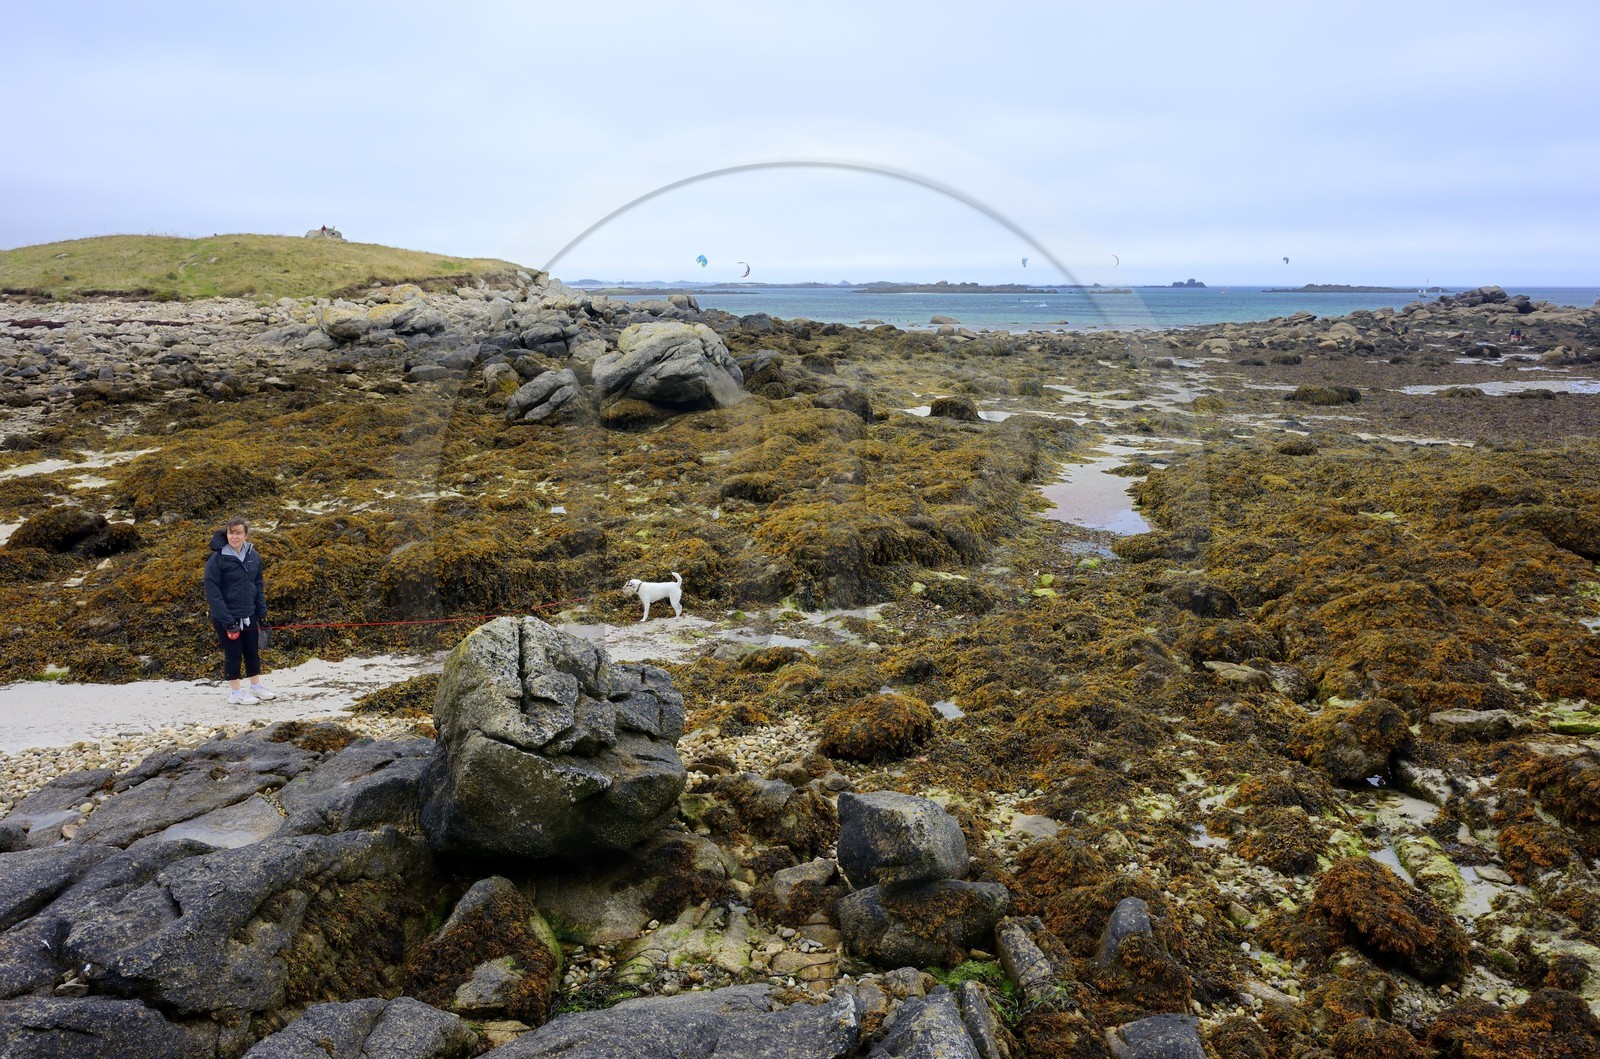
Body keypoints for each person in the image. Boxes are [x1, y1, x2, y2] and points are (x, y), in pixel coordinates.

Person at [203, 517, 275, 704]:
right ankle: (235, 692)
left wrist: (261, 613)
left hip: (249, 613)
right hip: (226, 616)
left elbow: (258, 585)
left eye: (238, 533)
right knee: (233, 653)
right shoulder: (217, 559)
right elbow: (213, 593)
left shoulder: (253, 556)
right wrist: (228, 621)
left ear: (245, 535)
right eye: (231, 532)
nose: (234, 536)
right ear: (226, 534)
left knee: (252, 651)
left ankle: (256, 686)